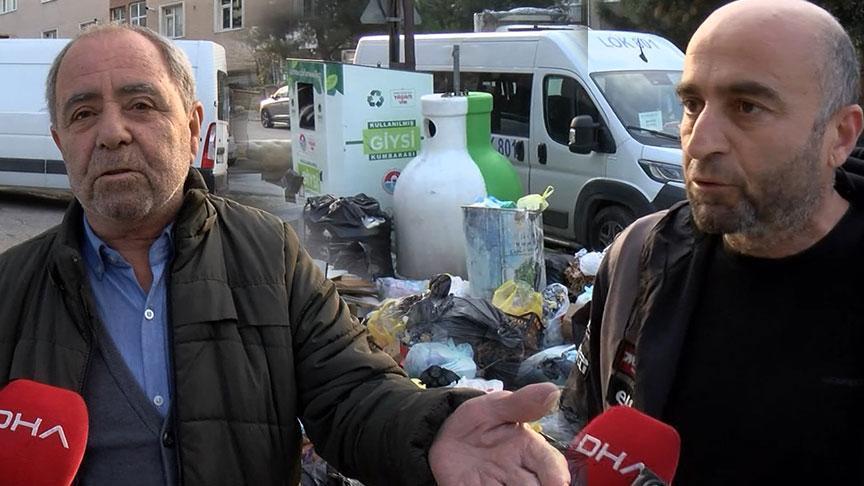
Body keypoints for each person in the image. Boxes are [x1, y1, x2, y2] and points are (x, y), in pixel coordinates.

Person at [0, 24, 569, 486]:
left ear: (193, 126)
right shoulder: (10, 288)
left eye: (141, 104)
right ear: (60, 142)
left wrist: (434, 428)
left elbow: (351, 393)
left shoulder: (267, 253)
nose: (112, 133)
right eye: (83, 114)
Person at [561, 0, 864, 483]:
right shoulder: (639, 257)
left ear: (840, 136)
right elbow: (583, 428)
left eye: (747, 107)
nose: (698, 143)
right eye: (691, 105)